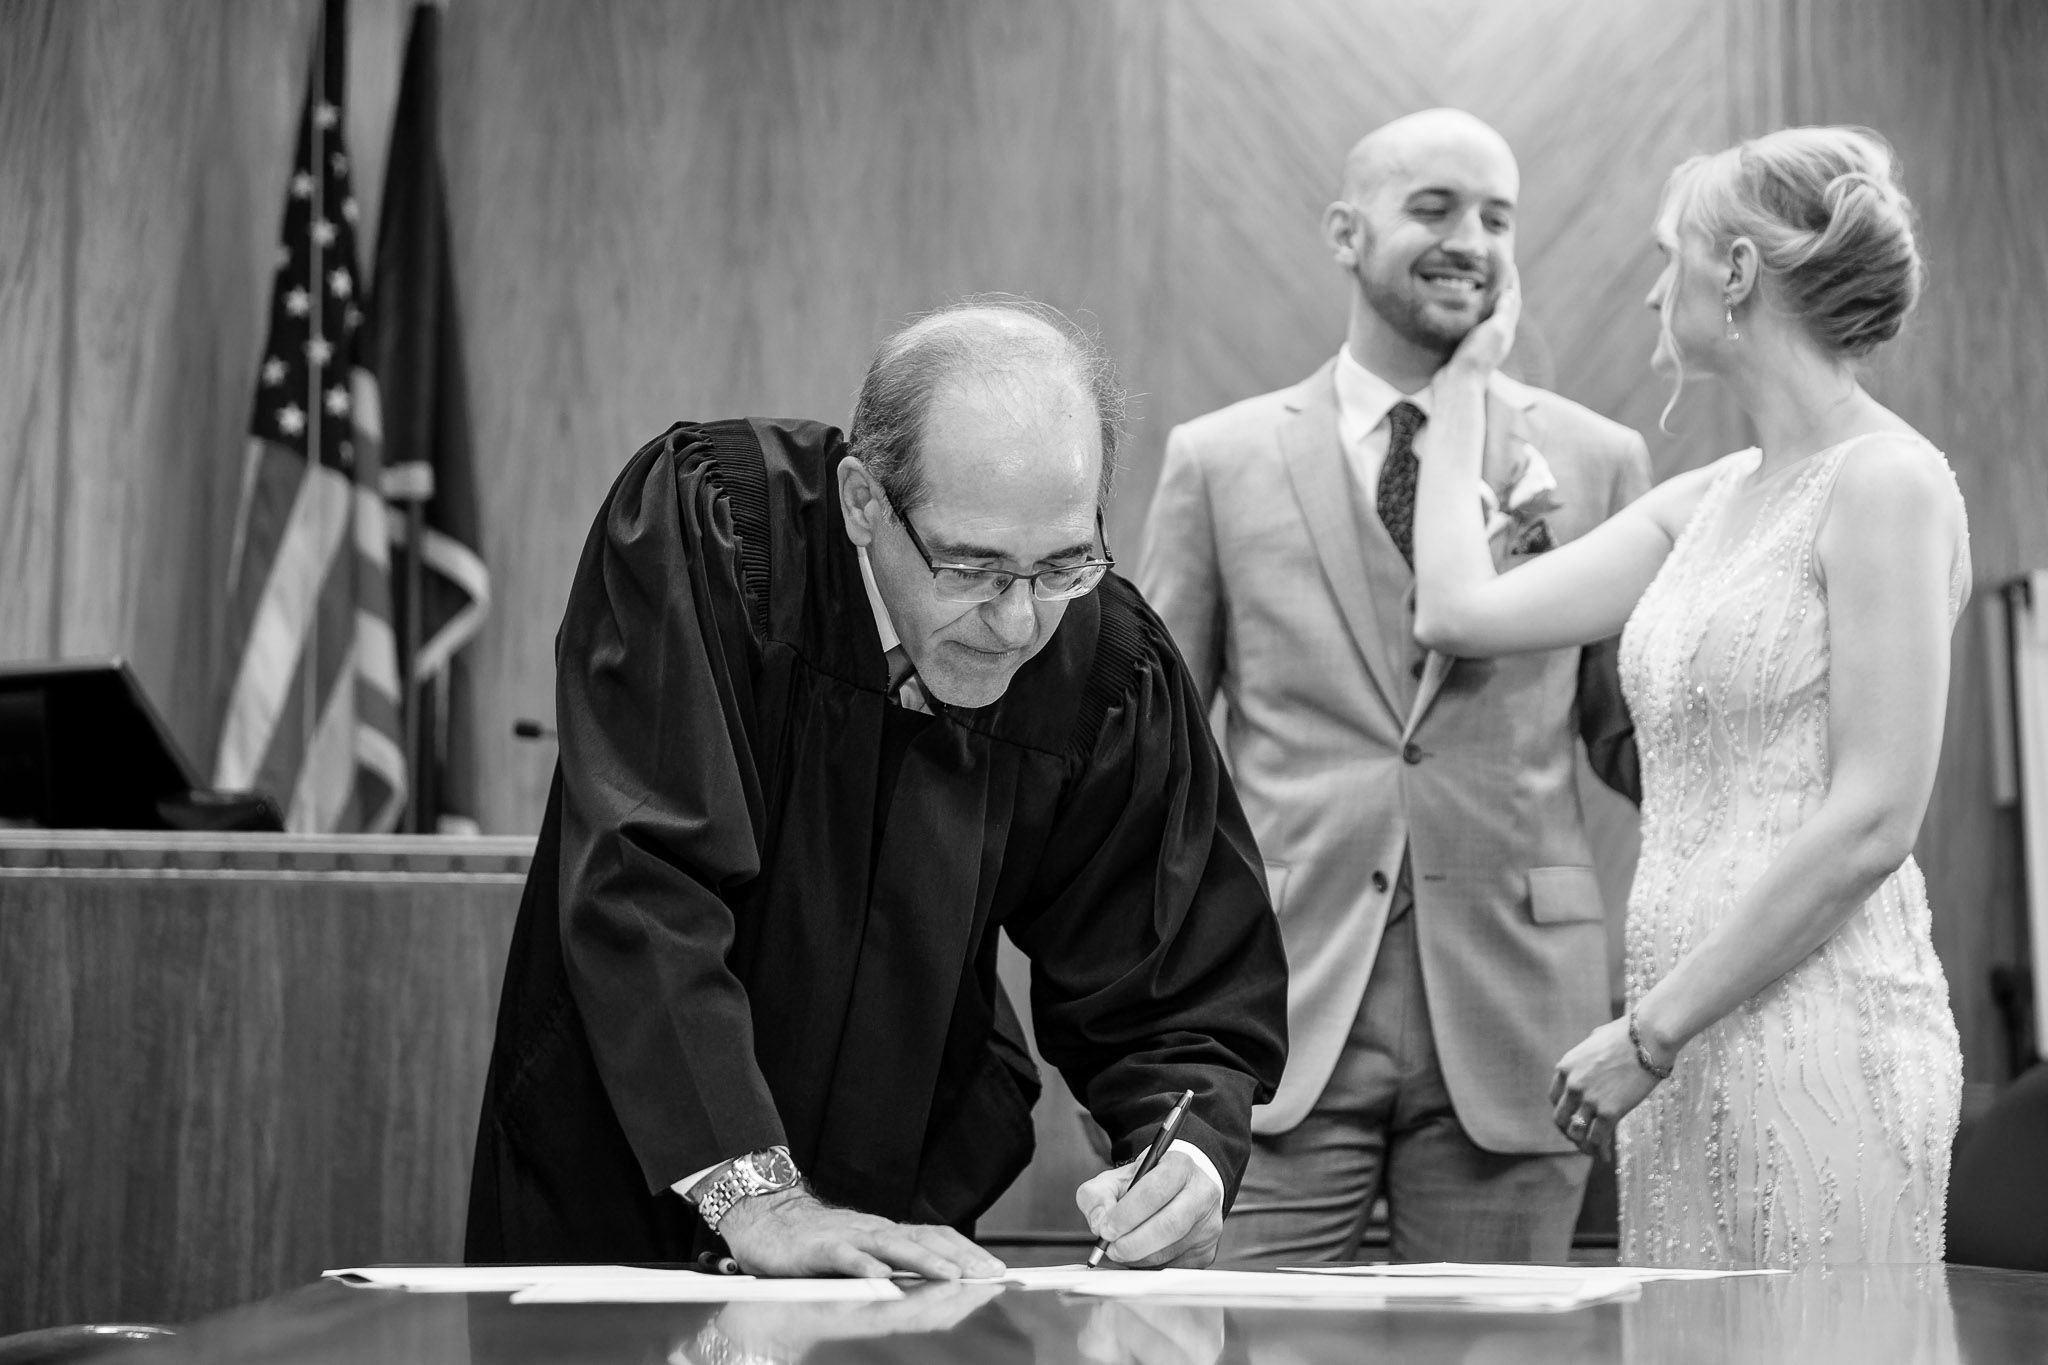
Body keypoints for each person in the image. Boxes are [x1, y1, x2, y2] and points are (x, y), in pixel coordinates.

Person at [466, 300, 1289, 1277]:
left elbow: (1172, 977)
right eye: (971, 566)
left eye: (1061, 563)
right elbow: (647, 883)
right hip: (630, 1195)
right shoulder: (723, 539)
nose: (1019, 623)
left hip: (901, 1232)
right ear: (863, 499)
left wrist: (1181, 1154)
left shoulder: (1102, 660)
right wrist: (758, 1200)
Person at [1410, 125, 1966, 1267]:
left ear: (1738, 274)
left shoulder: (1888, 483)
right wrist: (1460, 390)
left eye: (1670, 255)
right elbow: (1455, 611)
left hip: (1817, 1026)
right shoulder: (1705, 501)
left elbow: (1871, 822)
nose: (1651, 288)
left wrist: (1650, 1033)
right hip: (1671, 1048)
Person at [1138, 108, 1650, 1266]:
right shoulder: (1217, 460)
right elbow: (1153, 760)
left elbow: (1630, 735)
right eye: (1432, 207)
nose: (1468, 238)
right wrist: (1153, 1018)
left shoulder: (1593, 460)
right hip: (1278, 1017)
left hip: (1521, 1019)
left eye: (1496, 217)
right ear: (1341, 230)